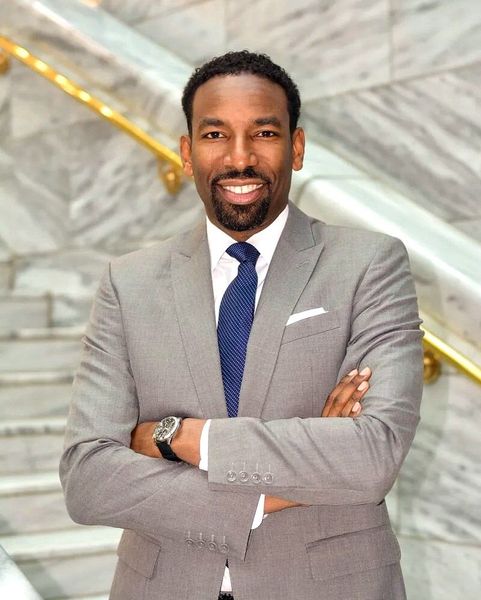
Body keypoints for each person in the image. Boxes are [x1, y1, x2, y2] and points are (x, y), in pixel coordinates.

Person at [60, 51, 423, 600]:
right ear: (186, 153)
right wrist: (286, 485)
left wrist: (174, 436)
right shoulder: (127, 283)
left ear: (296, 148)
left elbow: (373, 454)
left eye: (264, 133)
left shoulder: (369, 265)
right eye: (214, 134)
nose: (239, 158)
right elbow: (87, 479)